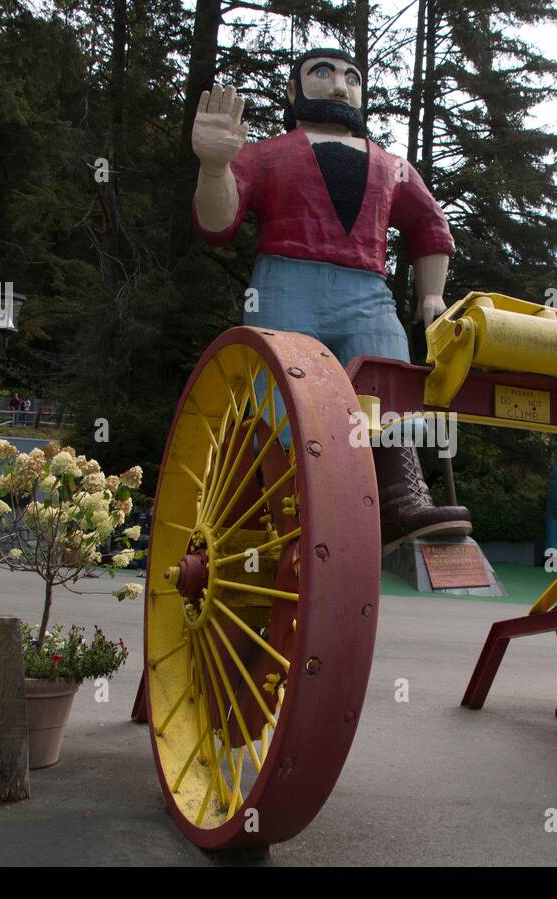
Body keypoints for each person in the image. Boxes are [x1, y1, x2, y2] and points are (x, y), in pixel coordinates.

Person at [192, 47, 471, 553]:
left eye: (351, 76)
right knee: (285, 396)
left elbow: (430, 225)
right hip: (284, 283)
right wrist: (215, 169)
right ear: (295, 92)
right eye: (322, 73)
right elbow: (218, 224)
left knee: (388, 380)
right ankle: (292, 499)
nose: (341, 85)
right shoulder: (267, 153)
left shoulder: (393, 167)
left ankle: (401, 497)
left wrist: (432, 294)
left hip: (367, 291)